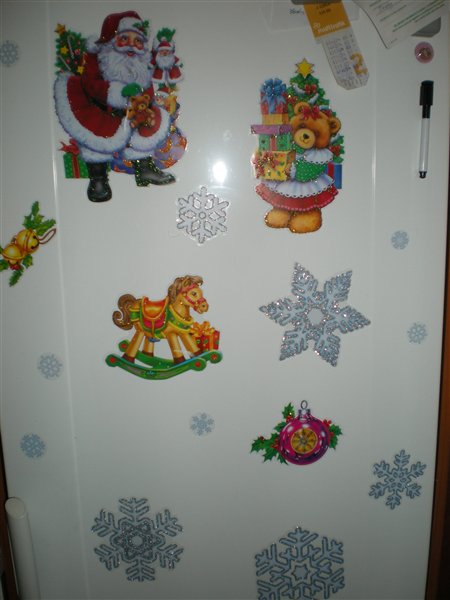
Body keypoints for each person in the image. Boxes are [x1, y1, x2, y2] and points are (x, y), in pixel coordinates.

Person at [54, 11, 175, 202]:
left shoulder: (141, 63)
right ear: (112, 40)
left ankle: (144, 169)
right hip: (102, 110)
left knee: (147, 129)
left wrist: (145, 106)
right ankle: (98, 179)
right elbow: (90, 84)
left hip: (133, 112)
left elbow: (148, 89)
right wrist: (118, 92)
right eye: (124, 38)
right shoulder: (100, 58)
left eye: (137, 41)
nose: (131, 45)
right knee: (97, 139)